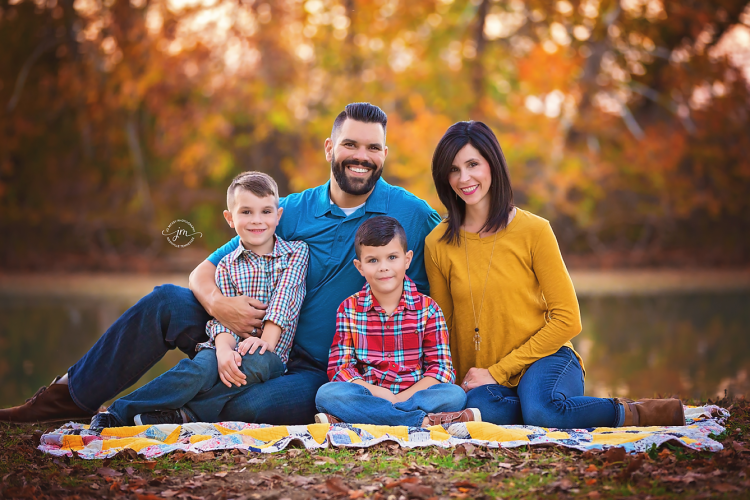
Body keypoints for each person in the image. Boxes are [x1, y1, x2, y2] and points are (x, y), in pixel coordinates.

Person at [0, 102, 443, 425]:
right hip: (245, 331)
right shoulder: (287, 210)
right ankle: (69, 397)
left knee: (257, 408)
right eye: (350, 144)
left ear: (385, 153)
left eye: (373, 147)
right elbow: (203, 271)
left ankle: (159, 411)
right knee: (167, 301)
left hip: (321, 367)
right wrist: (218, 306)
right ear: (330, 147)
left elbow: (446, 272)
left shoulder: (412, 214)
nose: (361, 156)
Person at [424, 121, 685, 428]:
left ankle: (640, 412)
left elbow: (567, 318)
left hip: (546, 360)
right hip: (487, 379)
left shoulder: (534, 230)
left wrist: (498, 371)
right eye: (454, 169)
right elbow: (443, 326)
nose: (464, 178)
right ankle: (543, 408)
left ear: (492, 165)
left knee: (542, 409)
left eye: (472, 164)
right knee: (477, 408)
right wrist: (453, 384)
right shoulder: (437, 242)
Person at [90, 171, 308, 428]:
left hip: (270, 354)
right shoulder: (226, 266)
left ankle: (186, 414)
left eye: (266, 212)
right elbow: (222, 319)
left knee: (257, 362)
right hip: (226, 345)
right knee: (199, 369)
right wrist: (225, 351)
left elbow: (285, 301)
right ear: (230, 218)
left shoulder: (296, 253)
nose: (257, 220)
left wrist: (264, 343)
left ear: (278, 215)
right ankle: (118, 412)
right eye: (246, 212)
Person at [314, 216, 479, 427]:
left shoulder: (428, 309)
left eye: (392, 257)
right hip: (370, 392)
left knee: (454, 395)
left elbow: (441, 369)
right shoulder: (349, 309)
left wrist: (400, 399)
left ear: (407, 259)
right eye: (373, 260)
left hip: (416, 394)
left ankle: (360, 418)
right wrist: (380, 393)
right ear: (359, 266)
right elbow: (341, 368)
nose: (383, 267)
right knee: (327, 394)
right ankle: (423, 421)